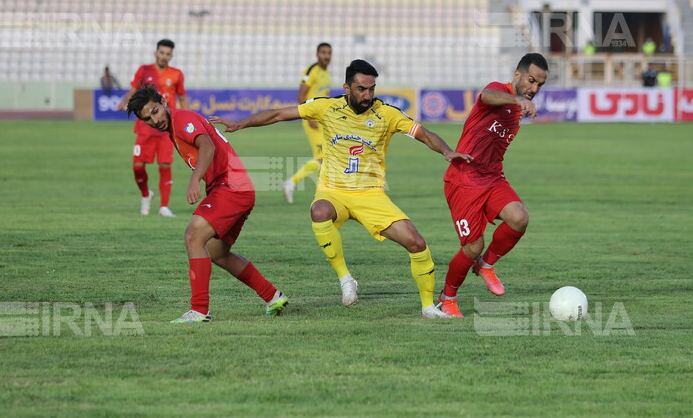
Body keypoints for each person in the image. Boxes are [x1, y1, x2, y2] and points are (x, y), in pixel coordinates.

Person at [211, 59, 473, 319]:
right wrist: (241, 122)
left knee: (416, 242)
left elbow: (424, 134)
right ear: (347, 87)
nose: (368, 95)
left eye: (372, 89)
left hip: (371, 195)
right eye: (361, 89)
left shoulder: (388, 113)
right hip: (333, 191)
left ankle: (428, 307)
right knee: (319, 211)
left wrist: (447, 151)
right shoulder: (326, 107)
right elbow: (279, 114)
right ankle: (346, 278)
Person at [125, 84, 289, 323]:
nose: (155, 119)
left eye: (156, 111)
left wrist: (194, 180)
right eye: (148, 118)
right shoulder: (174, 125)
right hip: (235, 187)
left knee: (193, 235)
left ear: (164, 102)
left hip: (230, 186)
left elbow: (207, 146)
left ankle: (199, 310)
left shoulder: (181, 119)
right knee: (217, 252)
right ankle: (273, 296)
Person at [437, 53, 549, 318]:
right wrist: (517, 98)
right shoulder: (500, 91)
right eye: (531, 81)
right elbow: (487, 95)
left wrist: (519, 103)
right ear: (517, 75)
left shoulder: (517, 110)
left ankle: (486, 265)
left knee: (519, 218)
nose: (533, 89)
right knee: (472, 246)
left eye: (539, 86)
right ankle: (447, 298)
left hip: (492, 178)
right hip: (463, 180)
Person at [118, 40, 186, 218]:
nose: (164, 56)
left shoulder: (177, 74)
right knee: (138, 167)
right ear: (156, 53)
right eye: (162, 52)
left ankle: (164, 206)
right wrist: (124, 101)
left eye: (168, 54)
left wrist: (186, 117)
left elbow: (182, 97)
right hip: (145, 127)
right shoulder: (144, 70)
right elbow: (133, 90)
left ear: (171, 56)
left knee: (165, 164)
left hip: (165, 128)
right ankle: (146, 194)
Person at [282, 42, 333, 203]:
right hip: (312, 120)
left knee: (326, 158)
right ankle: (291, 183)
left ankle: (321, 193)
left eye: (329, 53)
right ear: (317, 54)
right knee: (322, 158)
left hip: (321, 120)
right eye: (323, 52)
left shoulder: (326, 73)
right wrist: (309, 117)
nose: (326, 56)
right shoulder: (311, 71)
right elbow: (301, 96)